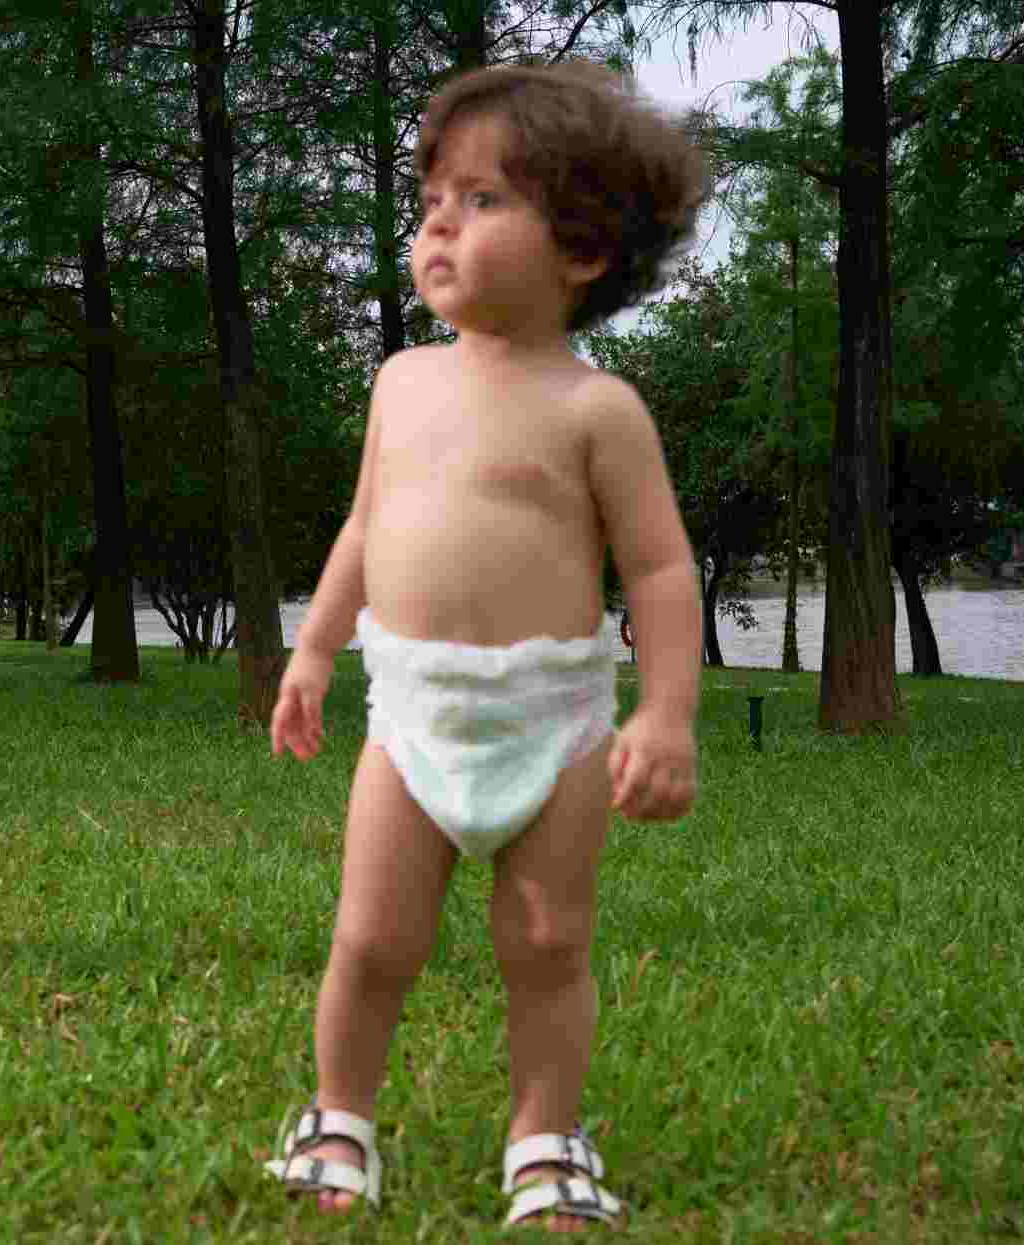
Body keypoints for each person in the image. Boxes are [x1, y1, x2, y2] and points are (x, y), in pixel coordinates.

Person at [262, 62, 705, 1231]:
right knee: (372, 938)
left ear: (584, 249)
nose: (440, 224)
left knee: (548, 943)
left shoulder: (596, 410)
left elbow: (660, 572)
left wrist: (665, 714)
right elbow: (363, 530)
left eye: (483, 199)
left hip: (554, 723)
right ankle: (338, 1116)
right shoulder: (401, 384)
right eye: (431, 203)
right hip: (411, 714)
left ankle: (545, 1139)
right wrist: (312, 653)